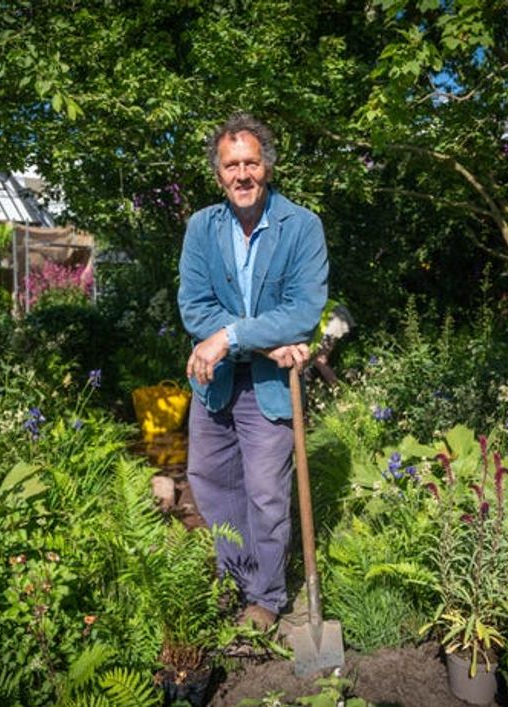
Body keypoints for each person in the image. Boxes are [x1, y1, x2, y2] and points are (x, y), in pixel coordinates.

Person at [177, 113, 328, 630]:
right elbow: (194, 308)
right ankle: (237, 580)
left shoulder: (302, 227)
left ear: (267, 167)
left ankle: (265, 599)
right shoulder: (202, 228)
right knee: (213, 481)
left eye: (251, 163)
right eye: (231, 165)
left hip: (268, 388)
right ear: (218, 173)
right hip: (215, 382)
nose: (242, 174)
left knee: (265, 492)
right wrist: (264, 342)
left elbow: (303, 310)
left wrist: (229, 337)